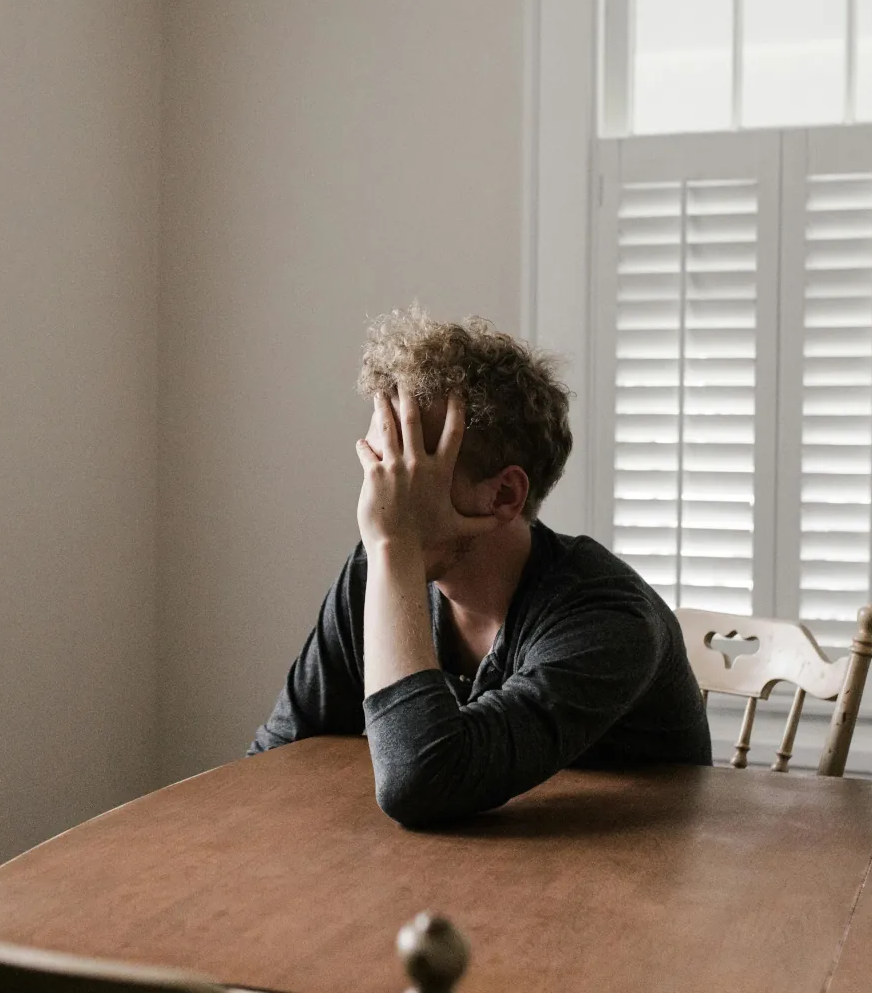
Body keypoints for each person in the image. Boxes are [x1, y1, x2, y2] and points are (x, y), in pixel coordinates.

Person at [249, 306, 711, 827]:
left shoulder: (609, 619)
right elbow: (274, 761)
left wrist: (394, 547)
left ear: (504, 494)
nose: (379, 500)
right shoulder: (376, 572)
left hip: (629, 885)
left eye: (409, 471)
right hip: (455, 875)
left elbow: (420, 782)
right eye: (378, 466)